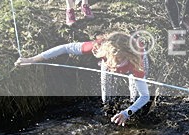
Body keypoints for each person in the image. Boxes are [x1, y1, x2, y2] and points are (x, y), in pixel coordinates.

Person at [15, 32, 151, 126]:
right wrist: (32, 60)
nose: (115, 65)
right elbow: (65, 48)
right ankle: (107, 108)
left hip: (134, 64)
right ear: (105, 53)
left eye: (120, 60)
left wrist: (127, 112)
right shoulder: (98, 48)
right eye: (113, 60)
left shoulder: (136, 63)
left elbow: (145, 96)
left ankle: (130, 114)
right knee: (106, 88)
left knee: (135, 94)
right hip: (107, 56)